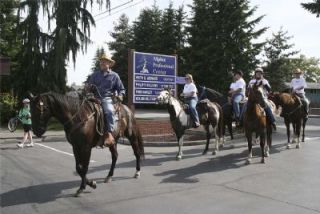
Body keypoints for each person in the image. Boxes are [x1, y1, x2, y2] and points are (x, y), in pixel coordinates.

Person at [88, 54, 125, 147]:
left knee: (108, 111)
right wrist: (88, 89)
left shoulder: (115, 76)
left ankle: (109, 133)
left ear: (109, 63)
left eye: (105, 61)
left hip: (107, 98)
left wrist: (120, 95)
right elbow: (89, 87)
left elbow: (122, 89)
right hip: (94, 98)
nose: (102, 63)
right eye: (101, 61)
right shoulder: (94, 75)